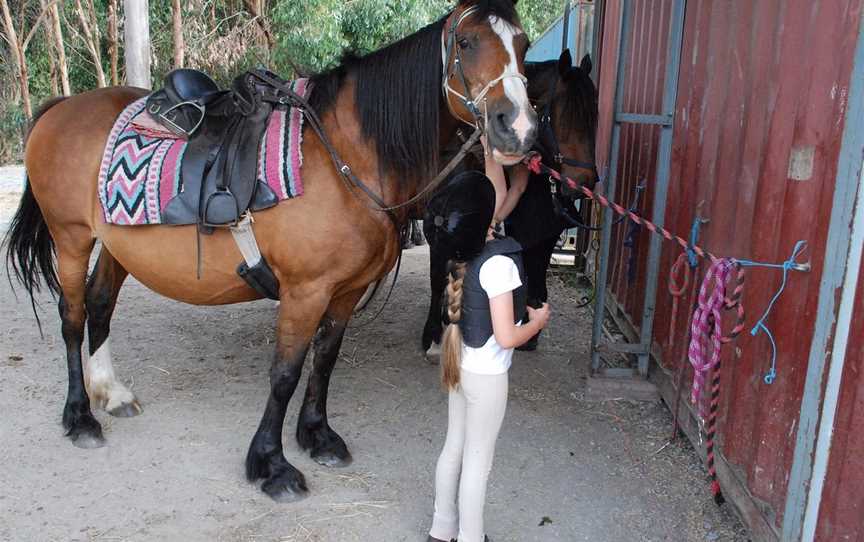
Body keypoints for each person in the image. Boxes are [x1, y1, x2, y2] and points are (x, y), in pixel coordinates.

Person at [425, 141, 551, 542]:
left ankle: (441, 530)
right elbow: (508, 336)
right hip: (487, 374)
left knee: (454, 449)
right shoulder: (499, 264)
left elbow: (496, 196)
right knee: (479, 462)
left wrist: (489, 153)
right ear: (488, 218)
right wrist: (539, 321)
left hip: (459, 362)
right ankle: (471, 537)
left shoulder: (459, 252)